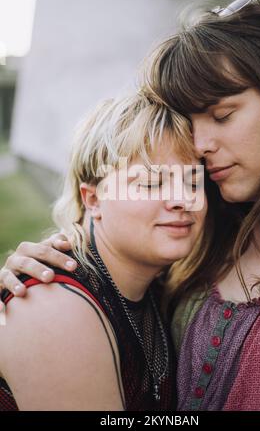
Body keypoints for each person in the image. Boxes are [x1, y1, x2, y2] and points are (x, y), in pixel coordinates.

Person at [1, 0, 260, 410]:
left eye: (222, 115)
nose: (201, 143)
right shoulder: (203, 243)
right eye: (153, 183)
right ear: (92, 197)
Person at [0, 93, 206, 411]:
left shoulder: (161, 286)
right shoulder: (53, 304)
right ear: (93, 199)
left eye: (193, 181)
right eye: (151, 183)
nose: (182, 199)